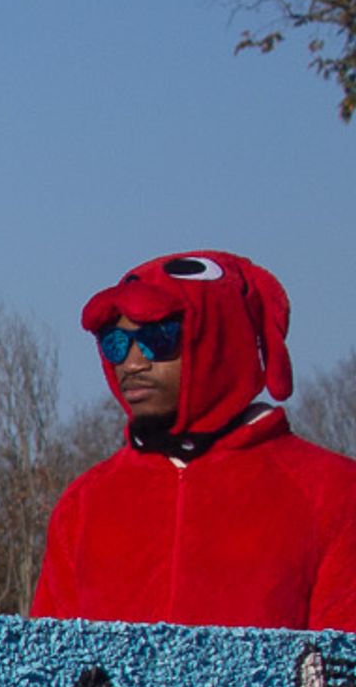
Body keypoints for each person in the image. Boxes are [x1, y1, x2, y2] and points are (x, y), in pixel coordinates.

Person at [31, 251, 356, 629]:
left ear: (221, 338)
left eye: (158, 337)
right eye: (115, 342)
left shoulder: (333, 493)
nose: (132, 363)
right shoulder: (83, 505)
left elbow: (343, 671)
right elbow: (47, 672)